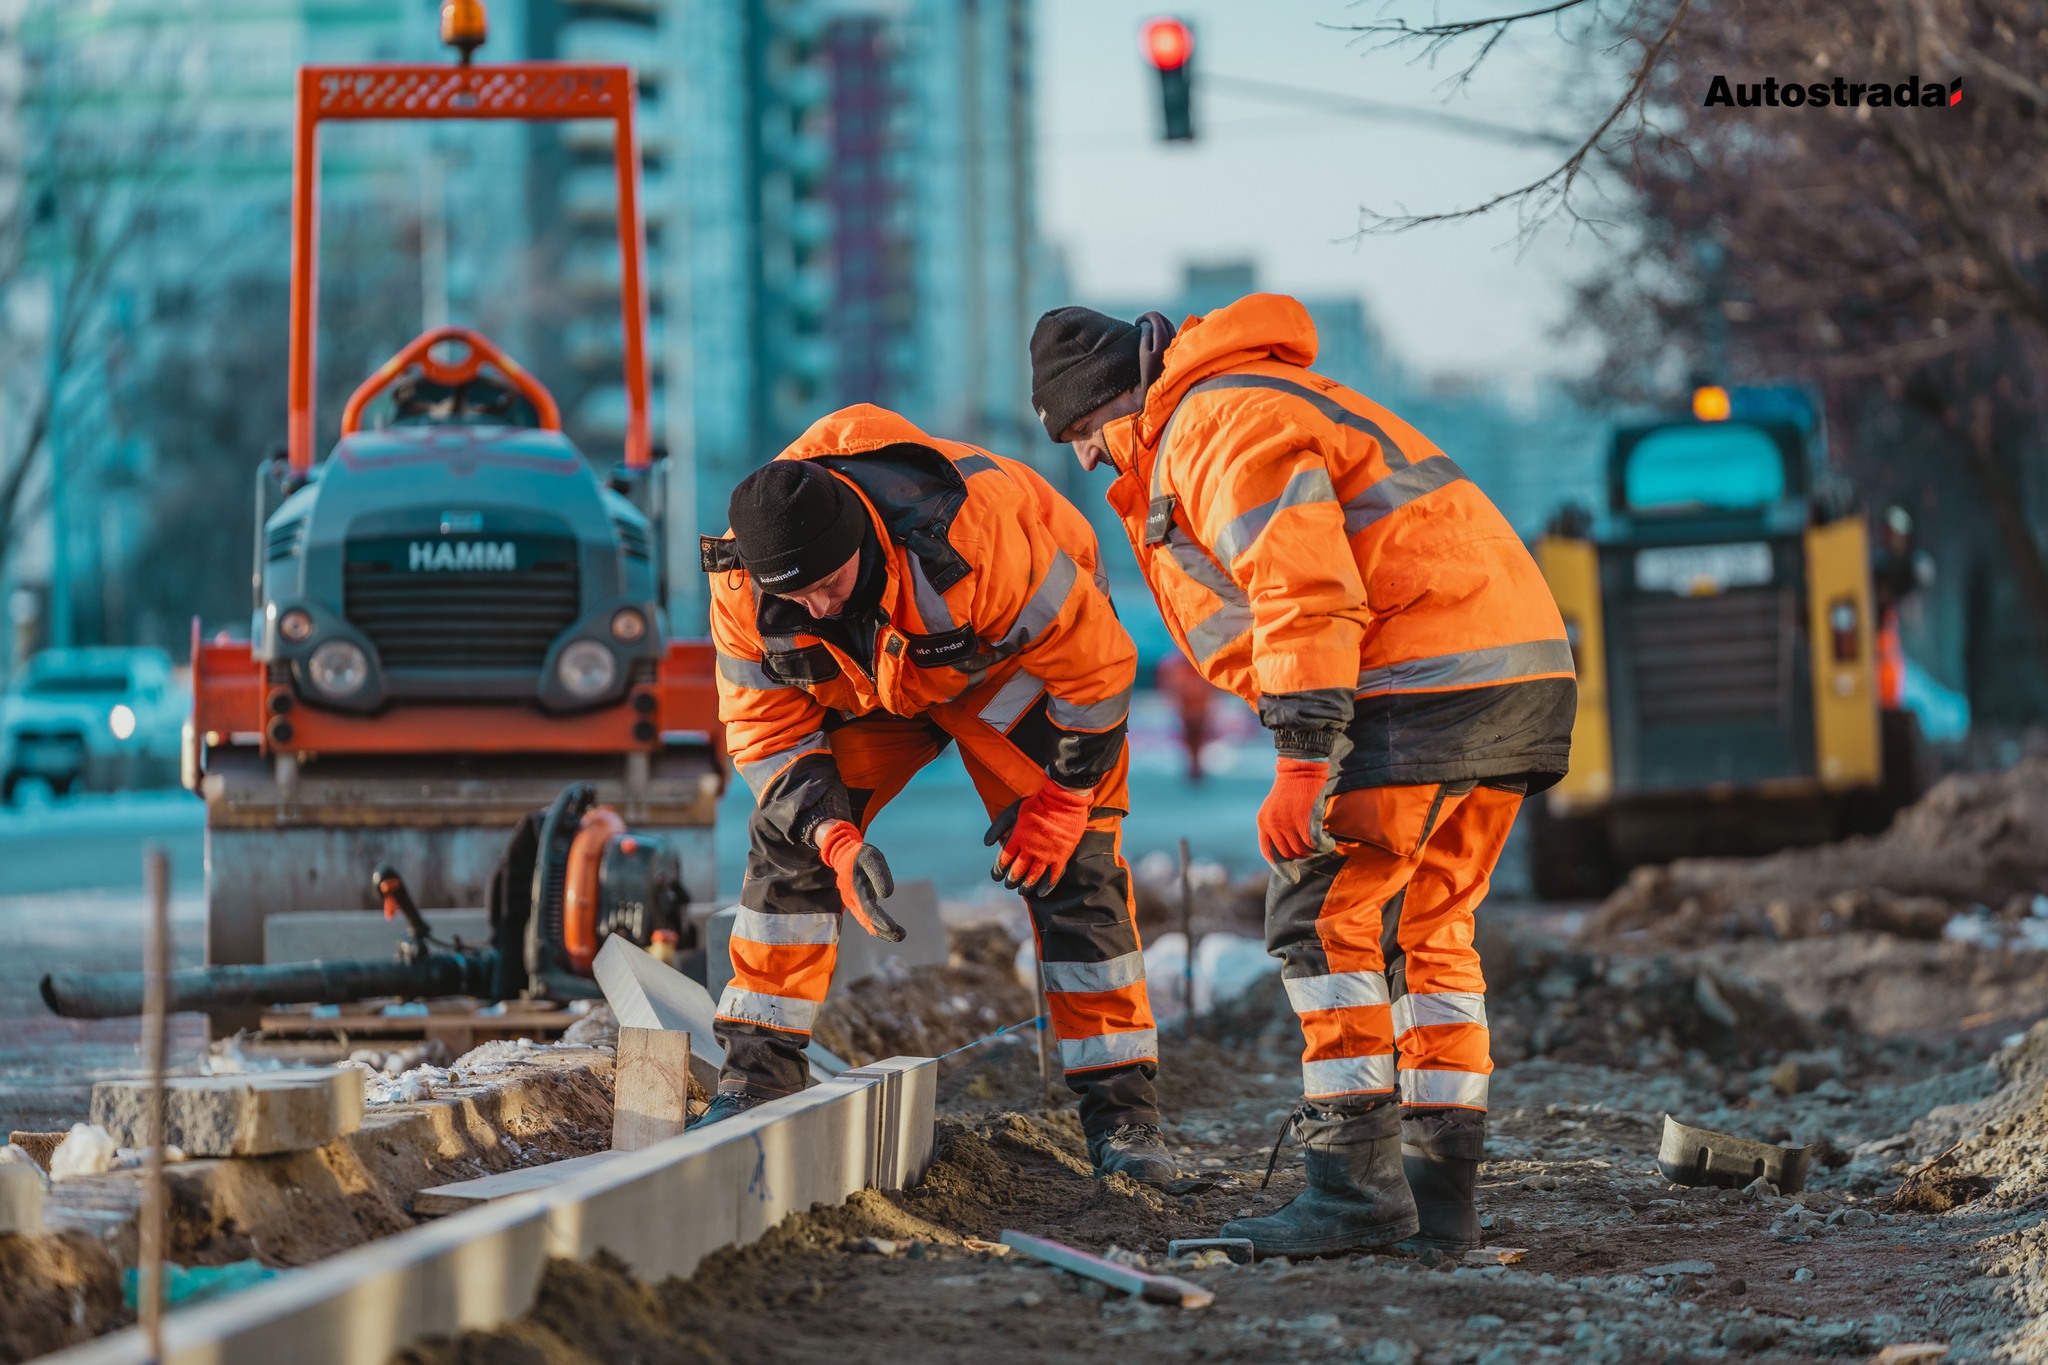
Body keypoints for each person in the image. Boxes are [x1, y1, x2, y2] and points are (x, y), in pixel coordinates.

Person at [1029, 294, 1576, 1254]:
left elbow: (1301, 590)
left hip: (1418, 683)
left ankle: (1352, 1191)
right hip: (1510, 675)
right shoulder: (1260, 397)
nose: (1089, 461)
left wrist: (1300, 758)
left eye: (1085, 437)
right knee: (1430, 932)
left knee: (1322, 917)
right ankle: (1440, 1200)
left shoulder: (1214, 422)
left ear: (1119, 401)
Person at [698, 403, 1175, 1187]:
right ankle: (755, 1080)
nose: (817, 607)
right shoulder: (744, 588)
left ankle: (1125, 1118)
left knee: (1074, 865)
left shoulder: (975, 538)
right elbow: (767, 734)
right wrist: (835, 838)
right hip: (872, 684)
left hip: (1007, 666)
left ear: (861, 541)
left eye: (828, 584)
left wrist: (1063, 803)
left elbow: (1098, 673)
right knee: (790, 835)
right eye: (797, 598)